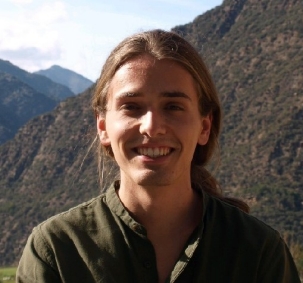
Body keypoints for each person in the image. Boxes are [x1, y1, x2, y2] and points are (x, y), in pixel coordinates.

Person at [16, 29, 300, 282]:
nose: (151, 126)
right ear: (103, 127)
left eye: (173, 107)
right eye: (132, 106)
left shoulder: (258, 251)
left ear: (204, 126)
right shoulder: (57, 251)